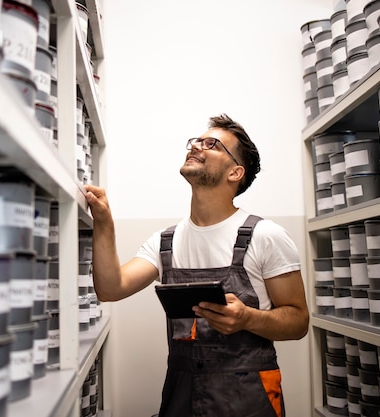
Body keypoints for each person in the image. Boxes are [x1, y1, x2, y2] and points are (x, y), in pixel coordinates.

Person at [84, 113, 309, 417]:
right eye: (196, 141)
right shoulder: (166, 242)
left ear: (235, 173)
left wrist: (248, 318)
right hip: (181, 395)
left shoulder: (266, 236)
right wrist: (104, 224)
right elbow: (111, 288)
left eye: (212, 144)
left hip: (249, 398)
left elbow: (298, 322)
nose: (196, 147)